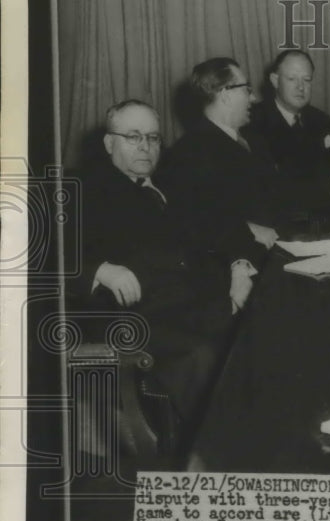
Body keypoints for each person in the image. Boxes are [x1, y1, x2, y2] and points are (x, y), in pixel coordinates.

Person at [70, 100, 239, 452]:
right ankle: (221, 461)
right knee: (205, 357)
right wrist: (100, 270)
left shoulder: (169, 185)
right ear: (108, 144)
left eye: (153, 137)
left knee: (258, 335)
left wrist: (240, 268)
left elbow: (211, 241)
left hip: (189, 307)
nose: (145, 146)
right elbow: (40, 257)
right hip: (132, 318)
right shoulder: (83, 189)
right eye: (133, 137)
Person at [158, 57, 326, 268]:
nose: (253, 97)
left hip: (283, 246)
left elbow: (280, 190)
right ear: (226, 94)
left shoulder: (252, 139)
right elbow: (190, 220)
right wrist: (245, 229)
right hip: (237, 263)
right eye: (246, 89)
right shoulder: (190, 151)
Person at [248, 49, 330, 197]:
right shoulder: (254, 121)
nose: (301, 87)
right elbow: (276, 186)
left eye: (307, 79)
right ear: (275, 80)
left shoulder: (317, 118)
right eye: (292, 79)